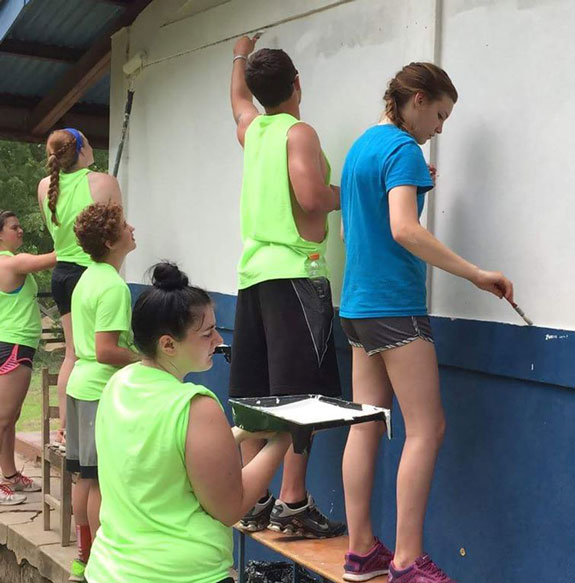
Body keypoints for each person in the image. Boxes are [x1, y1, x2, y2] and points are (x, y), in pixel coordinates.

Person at [340, 63, 514, 583]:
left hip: (356, 309)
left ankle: (361, 551)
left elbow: (364, 221)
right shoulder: (403, 150)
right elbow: (403, 229)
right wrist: (476, 273)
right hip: (395, 307)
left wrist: (415, 187)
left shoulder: (363, 147)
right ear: (417, 99)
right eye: (439, 114)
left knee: (365, 423)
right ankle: (406, 561)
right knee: (426, 428)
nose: (440, 128)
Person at [84, 262, 291, 583]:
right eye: (207, 333)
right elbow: (231, 506)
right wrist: (284, 440)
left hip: (109, 571)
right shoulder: (196, 406)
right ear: (168, 344)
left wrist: (235, 435)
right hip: (182, 573)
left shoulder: (118, 384)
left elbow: (160, 455)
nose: (218, 339)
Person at [228, 35, 345, 537]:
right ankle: (292, 503)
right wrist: (363, 191)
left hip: (252, 278)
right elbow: (312, 196)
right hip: (296, 276)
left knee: (257, 397)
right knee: (303, 398)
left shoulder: (252, 129)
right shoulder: (298, 132)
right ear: (297, 84)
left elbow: (237, 100)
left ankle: (251, 499)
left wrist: (240, 53)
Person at [65, 202, 139, 582]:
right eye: (125, 225)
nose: (132, 229)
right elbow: (107, 349)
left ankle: (84, 556)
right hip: (98, 391)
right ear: (112, 241)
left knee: (85, 477)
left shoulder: (88, 277)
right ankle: (97, 560)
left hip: (80, 385)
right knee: (101, 479)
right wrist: (144, 360)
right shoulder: (113, 286)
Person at [38, 129, 122, 448]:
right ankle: (99, 424)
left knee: (73, 353)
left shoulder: (45, 186)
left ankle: (66, 429)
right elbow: (115, 230)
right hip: (92, 274)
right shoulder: (103, 182)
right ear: (83, 148)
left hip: (62, 275)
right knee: (100, 352)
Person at [0, 211, 56, 505]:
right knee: (3, 418)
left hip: (15, 343)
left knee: (10, 418)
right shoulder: (11, 262)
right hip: (13, 345)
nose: (20, 231)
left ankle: (9, 475)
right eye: (14, 227)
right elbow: (55, 257)